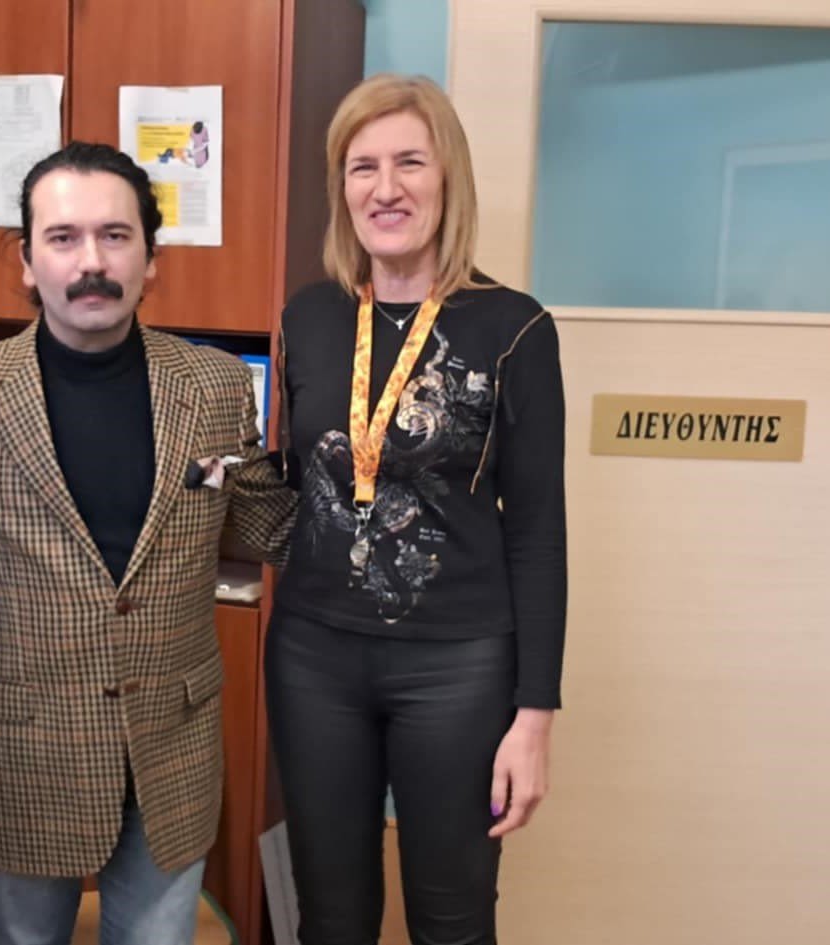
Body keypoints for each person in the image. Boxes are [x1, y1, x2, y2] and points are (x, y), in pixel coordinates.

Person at [0, 141, 294, 945]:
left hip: (171, 750)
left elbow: (262, 524)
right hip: (23, 745)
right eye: (63, 237)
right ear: (27, 260)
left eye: (115, 235)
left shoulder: (214, 386)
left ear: (152, 256)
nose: (92, 262)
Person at [266, 74, 567, 945]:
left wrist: (535, 715)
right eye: (362, 166)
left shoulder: (514, 329)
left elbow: (538, 533)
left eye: (409, 162)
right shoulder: (308, 316)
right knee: (330, 919)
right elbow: (303, 482)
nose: (385, 188)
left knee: (453, 920)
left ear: (448, 178)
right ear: (342, 187)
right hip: (314, 658)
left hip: (458, 667)